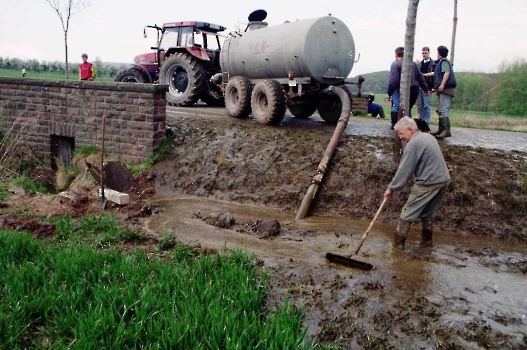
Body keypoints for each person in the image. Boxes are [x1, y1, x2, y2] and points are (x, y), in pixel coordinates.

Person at [383, 116, 450, 250]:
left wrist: (391, 188)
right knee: (427, 214)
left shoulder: (413, 144)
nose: (400, 137)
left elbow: (404, 170)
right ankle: (426, 244)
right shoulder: (428, 136)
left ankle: (397, 248)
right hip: (443, 180)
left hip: (428, 183)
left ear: (410, 130)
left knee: (406, 215)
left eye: (401, 134)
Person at [387, 47, 429, 129]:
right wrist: (426, 89)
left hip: (401, 89)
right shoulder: (412, 63)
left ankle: (395, 124)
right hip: (414, 90)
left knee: (397, 106)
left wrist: (389, 92)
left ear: (396, 55)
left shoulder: (396, 64)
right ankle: (408, 126)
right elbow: (420, 77)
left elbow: (393, 81)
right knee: (408, 107)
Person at [431, 45, 457, 139]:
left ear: (439, 53)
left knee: (444, 109)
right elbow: (437, 74)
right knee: (441, 110)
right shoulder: (440, 63)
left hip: (446, 89)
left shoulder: (444, 62)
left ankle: (446, 131)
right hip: (442, 89)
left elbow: (446, 72)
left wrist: (442, 85)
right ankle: (441, 129)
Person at [416, 47, 436, 126]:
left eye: (425, 53)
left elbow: (435, 75)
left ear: (429, 53)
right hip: (420, 86)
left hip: (428, 86)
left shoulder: (433, 64)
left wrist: (434, 87)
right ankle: (421, 121)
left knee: (426, 105)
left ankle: (427, 122)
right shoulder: (420, 64)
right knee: (420, 105)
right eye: (423, 53)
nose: (424, 55)